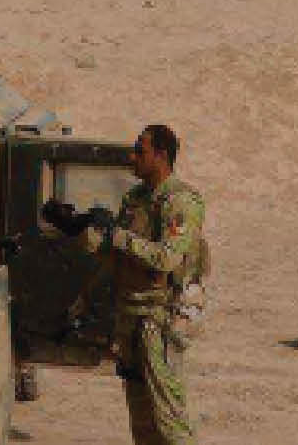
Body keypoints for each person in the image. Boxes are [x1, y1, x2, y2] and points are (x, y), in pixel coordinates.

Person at [48, 125, 207, 445]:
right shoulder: (135, 199)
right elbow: (114, 258)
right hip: (131, 317)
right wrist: (79, 230)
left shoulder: (180, 202)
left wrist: (118, 235)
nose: (132, 157)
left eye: (140, 151)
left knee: (170, 421)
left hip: (160, 318)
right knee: (141, 421)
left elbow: (166, 259)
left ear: (161, 156)